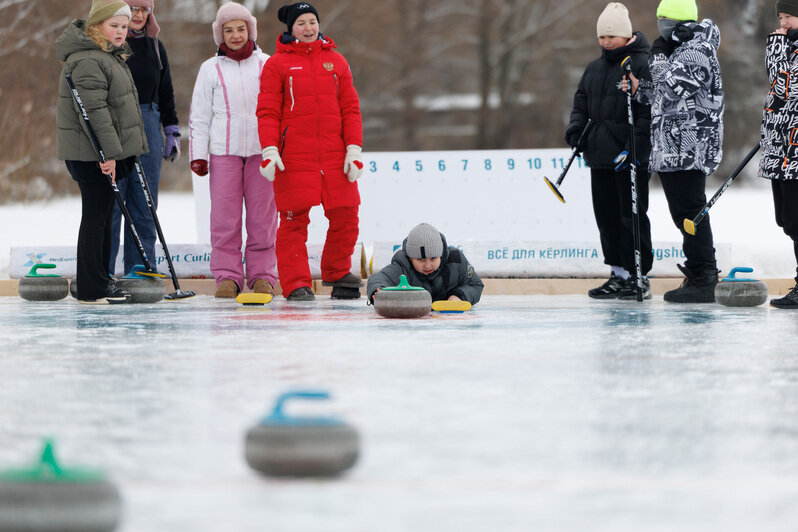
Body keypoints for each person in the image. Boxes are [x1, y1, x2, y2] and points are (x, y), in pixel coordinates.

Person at [256, 2, 364, 301]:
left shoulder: (337, 62)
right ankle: (296, 283)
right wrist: (269, 149)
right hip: (294, 157)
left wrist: (353, 148)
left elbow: (351, 109)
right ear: (290, 29)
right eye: (301, 23)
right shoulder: (277, 65)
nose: (308, 28)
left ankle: (337, 271)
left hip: (333, 154)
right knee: (293, 222)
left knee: (346, 214)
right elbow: (267, 112)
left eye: (312, 22)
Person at [625, 0, 724, 303]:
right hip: (671, 146)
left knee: (691, 210)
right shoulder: (677, 51)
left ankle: (704, 275)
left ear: (681, 23)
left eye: (666, 20)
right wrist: (639, 88)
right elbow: (660, 95)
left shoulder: (698, 50)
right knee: (682, 213)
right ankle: (697, 271)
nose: (661, 27)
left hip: (690, 145)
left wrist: (656, 58)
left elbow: (673, 88)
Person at [55, 0, 147, 304]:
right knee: (96, 216)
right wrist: (107, 154)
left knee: (104, 216)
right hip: (92, 154)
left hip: (105, 154)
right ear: (97, 26)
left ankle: (100, 279)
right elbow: (94, 112)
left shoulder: (107, 56)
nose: (121, 32)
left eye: (124, 27)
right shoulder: (88, 60)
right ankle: (93, 286)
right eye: (114, 26)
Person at [189, 2, 278, 298]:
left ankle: (262, 275)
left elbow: (280, 110)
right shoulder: (209, 69)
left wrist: (278, 147)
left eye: (241, 29)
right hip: (223, 152)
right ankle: (227, 276)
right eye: (229, 30)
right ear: (220, 34)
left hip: (261, 152)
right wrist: (199, 154)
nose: (236, 35)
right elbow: (199, 116)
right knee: (224, 218)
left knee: (262, 218)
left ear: (250, 30)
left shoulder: (267, 64)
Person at [566, 2, 654, 300]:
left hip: (629, 159)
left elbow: (647, 114)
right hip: (600, 157)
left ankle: (638, 275)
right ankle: (617, 273)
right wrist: (577, 132)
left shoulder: (642, 63)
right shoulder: (593, 68)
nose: (605, 42)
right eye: (602, 37)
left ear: (626, 36)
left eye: (611, 37)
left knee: (631, 217)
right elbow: (581, 104)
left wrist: (634, 149)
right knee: (606, 217)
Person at [108, 0, 180, 277]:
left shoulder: (155, 46)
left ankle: (140, 271)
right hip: (114, 121)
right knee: (114, 200)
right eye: (133, 9)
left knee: (145, 200)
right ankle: (103, 273)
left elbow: (166, 90)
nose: (138, 15)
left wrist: (171, 128)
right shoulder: (110, 45)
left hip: (149, 119)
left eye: (143, 10)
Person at [759, 0, 798, 308]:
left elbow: (787, 88)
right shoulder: (786, 47)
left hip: (795, 152)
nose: (783, 22)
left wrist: (776, 46)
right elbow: (776, 87)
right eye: (781, 17)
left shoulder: (786, 48)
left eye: (789, 16)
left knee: (796, 220)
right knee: (786, 220)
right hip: (780, 148)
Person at [366, 223, 483, 305]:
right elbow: (378, 278)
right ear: (411, 258)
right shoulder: (403, 265)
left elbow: (475, 285)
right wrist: (378, 290)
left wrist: (459, 296)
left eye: (433, 258)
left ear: (441, 254)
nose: (428, 265)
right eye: (420, 259)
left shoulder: (456, 261)